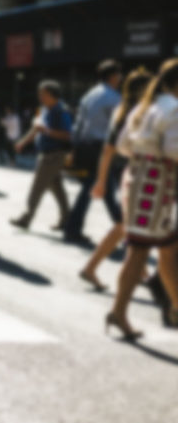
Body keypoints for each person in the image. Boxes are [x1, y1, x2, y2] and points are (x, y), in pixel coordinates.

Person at [107, 59, 178, 339]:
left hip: (137, 179)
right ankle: (119, 312)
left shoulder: (143, 106)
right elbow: (173, 149)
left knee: (167, 249)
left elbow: (123, 146)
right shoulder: (173, 108)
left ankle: (173, 307)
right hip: (157, 185)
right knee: (141, 250)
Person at [79, 68, 151, 291]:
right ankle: (92, 268)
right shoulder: (133, 114)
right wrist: (100, 181)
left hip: (126, 174)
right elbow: (108, 149)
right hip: (131, 174)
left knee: (127, 226)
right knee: (126, 226)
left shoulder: (123, 110)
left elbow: (108, 150)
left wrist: (101, 181)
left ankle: (140, 271)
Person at [64, 59, 123, 247]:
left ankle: (123, 228)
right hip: (101, 148)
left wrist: (73, 148)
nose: (120, 78)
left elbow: (78, 125)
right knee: (102, 188)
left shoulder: (89, 95)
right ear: (113, 76)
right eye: (119, 74)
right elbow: (118, 128)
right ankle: (125, 229)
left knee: (99, 188)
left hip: (85, 146)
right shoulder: (114, 98)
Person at [9, 81, 72, 232]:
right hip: (46, 153)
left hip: (54, 155)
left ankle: (26, 218)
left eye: (43, 95)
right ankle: (67, 220)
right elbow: (37, 128)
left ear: (52, 95)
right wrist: (23, 142)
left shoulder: (61, 110)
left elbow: (67, 135)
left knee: (37, 187)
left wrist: (47, 131)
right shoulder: (45, 109)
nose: (40, 97)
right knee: (57, 188)